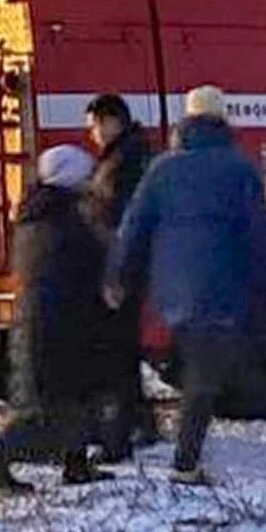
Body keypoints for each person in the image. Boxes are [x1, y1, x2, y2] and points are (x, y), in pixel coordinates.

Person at [113, 87, 266, 486]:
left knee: (198, 365)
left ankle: (180, 450)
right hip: (222, 286)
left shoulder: (163, 169)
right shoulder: (238, 168)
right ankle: (185, 462)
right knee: (204, 379)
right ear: (223, 119)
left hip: (172, 288)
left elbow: (133, 227)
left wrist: (118, 276)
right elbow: (263, 231)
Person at [0, 146, 118, 495]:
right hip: (54, 318)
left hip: (54, 315)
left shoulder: (40, 210)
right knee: (44, 401)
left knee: (73, 396)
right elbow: (81, 257)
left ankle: (75, 464)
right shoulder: (58, 216)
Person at [84, 93, 158, 459]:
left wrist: (115, 273)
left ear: (111, 121)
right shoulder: (124, 155)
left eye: (95, 125)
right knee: (121, 350)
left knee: (117, 352)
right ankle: (140, 422)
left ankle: (120, 435)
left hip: (121, 267)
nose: (93, 134)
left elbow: (124, 222)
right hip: (123, 265)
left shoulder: (126, 161)